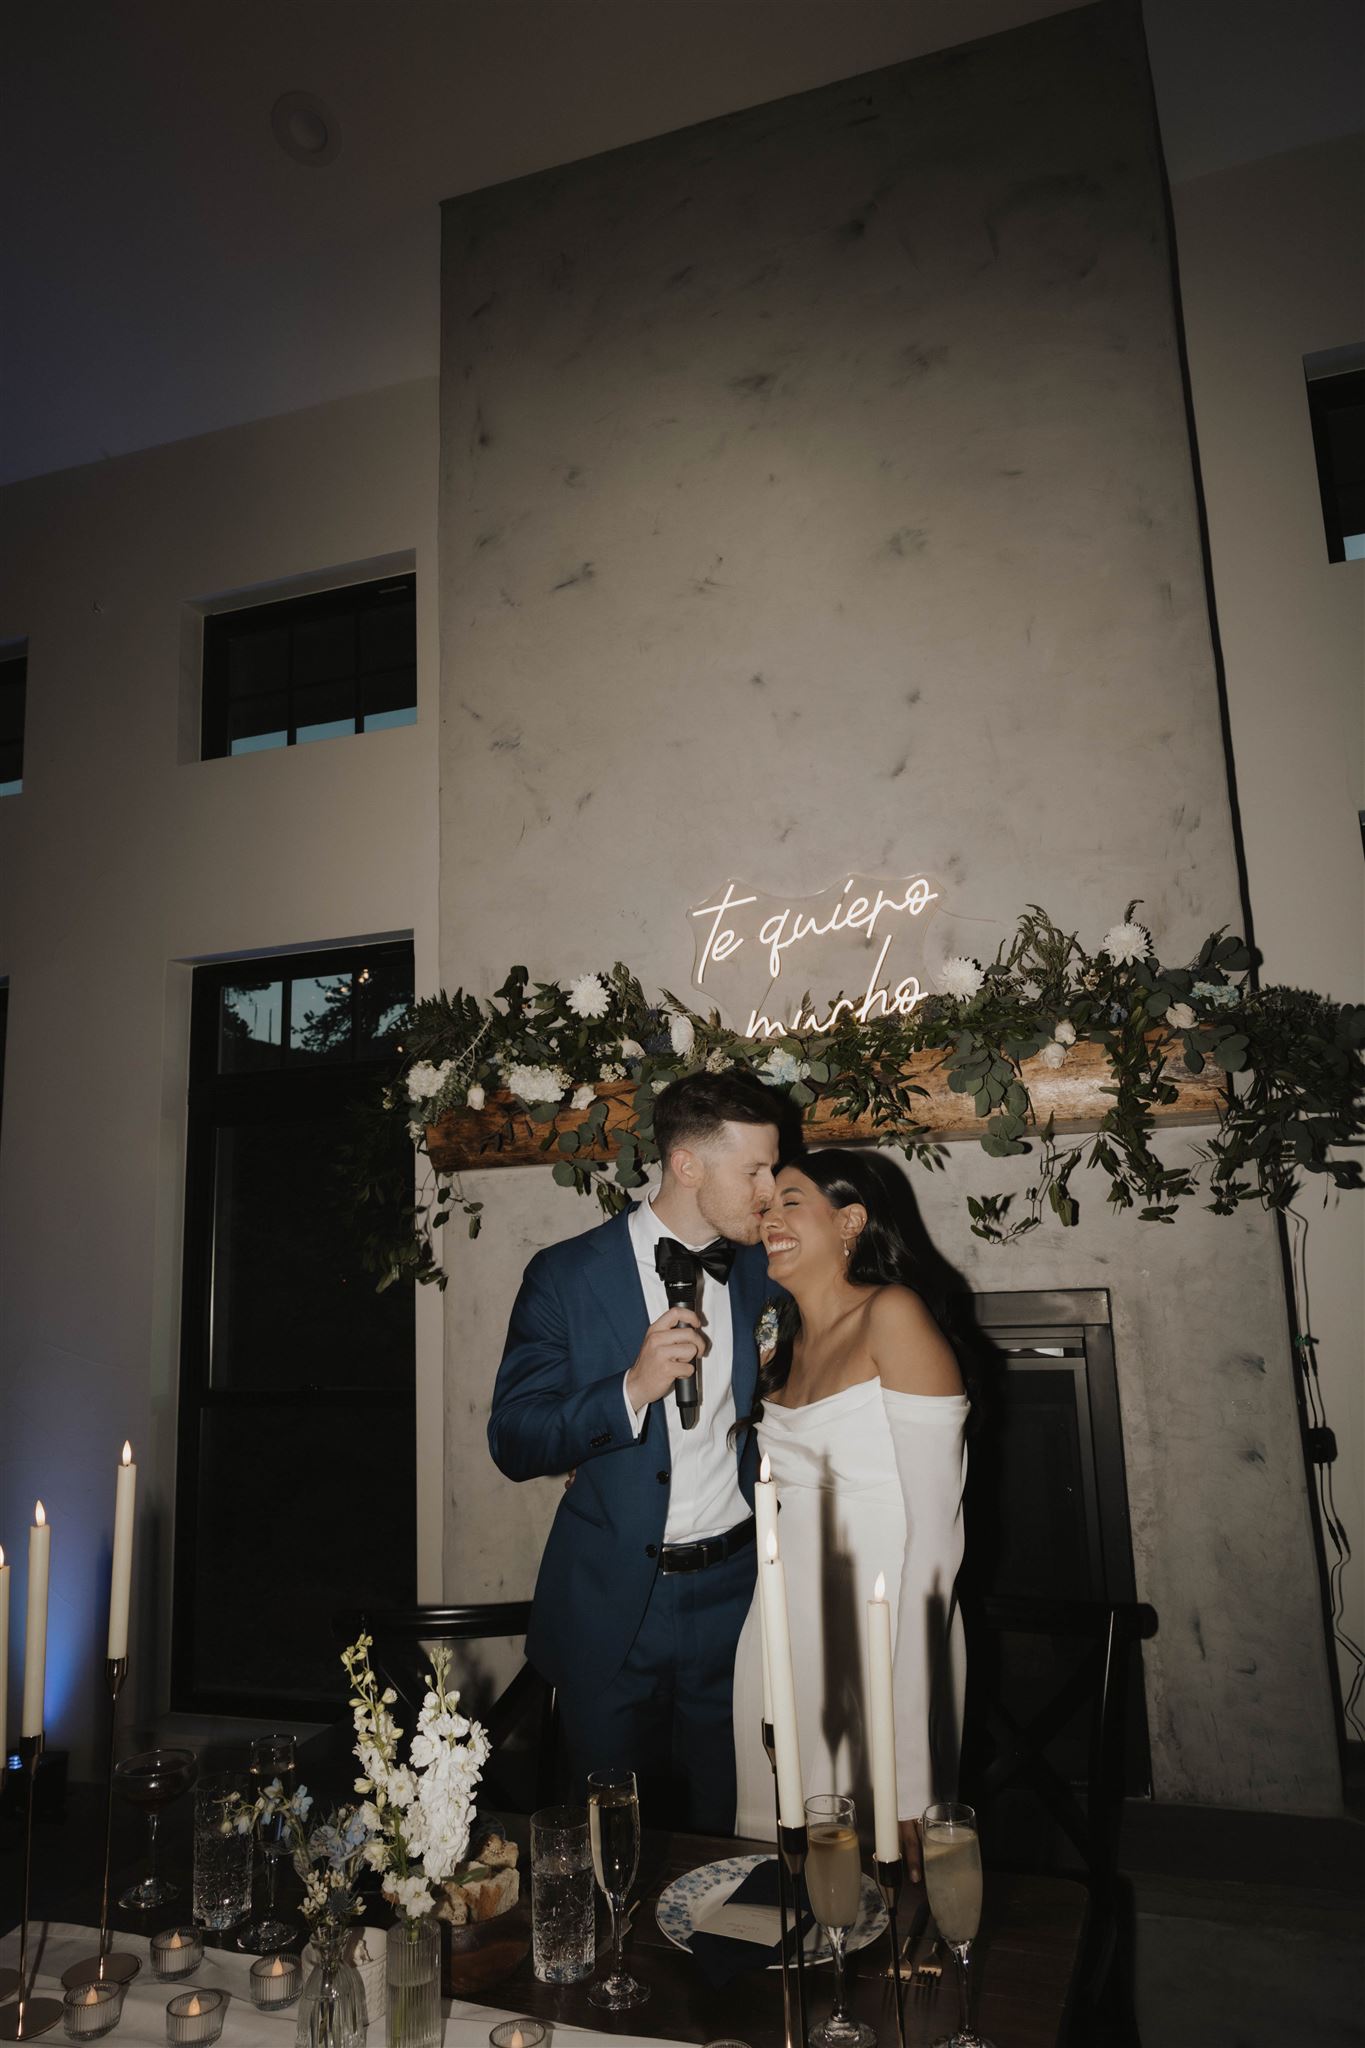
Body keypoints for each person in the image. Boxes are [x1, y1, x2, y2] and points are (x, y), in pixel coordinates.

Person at [488, 1069, 788, 1832]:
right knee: (608, 1833)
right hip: (612, 1607)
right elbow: (515, 1439)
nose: (770, 1186)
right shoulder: (564, 1275)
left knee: (737, 1826)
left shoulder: (765, 1269)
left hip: (740, 1596)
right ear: (688, 1167)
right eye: (754, 1168)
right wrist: (628, 1389)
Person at [731, 1148, 969, 1880]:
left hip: (885, 1627)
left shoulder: (891, 1316)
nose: (766, 1216)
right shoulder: (782, 1340)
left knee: (880, 1870)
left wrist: (910, 1762)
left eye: (788, 1201)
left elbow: (935, 1543)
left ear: (850, 1221)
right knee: (779, 1852)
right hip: (776, 1627)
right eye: (764, 1205)